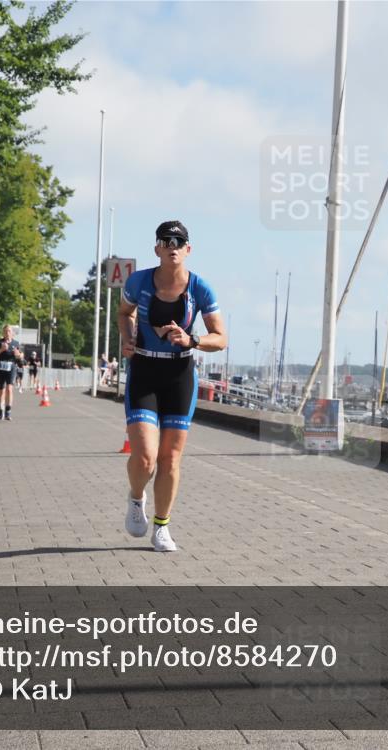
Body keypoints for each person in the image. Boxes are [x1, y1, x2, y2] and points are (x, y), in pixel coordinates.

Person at [117, 220, 226, 552]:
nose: (173, 245)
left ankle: (162, 527)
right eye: (166, 241)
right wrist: (128, 337)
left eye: (179, 241)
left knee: (171, 458)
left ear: (188, 249)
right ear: (157, 249)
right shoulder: (138, 281)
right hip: (145, 369)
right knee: (146, 456)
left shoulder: (200, 288)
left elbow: (221, 339)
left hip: (179, 375)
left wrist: (192, 339)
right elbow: (124, 313)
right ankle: (136, 499)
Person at [0, 324, 25, 421]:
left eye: (9, 331)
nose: (7, 333)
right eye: (5, 331)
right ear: (3, 333)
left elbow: (21, 355)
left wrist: (18, 355)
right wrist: (1, 349)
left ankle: (8, 411)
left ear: (12, 333)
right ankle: (1, 408)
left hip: (11, 367)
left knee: (9, 389)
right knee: (1, 390)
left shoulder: (16, 343)